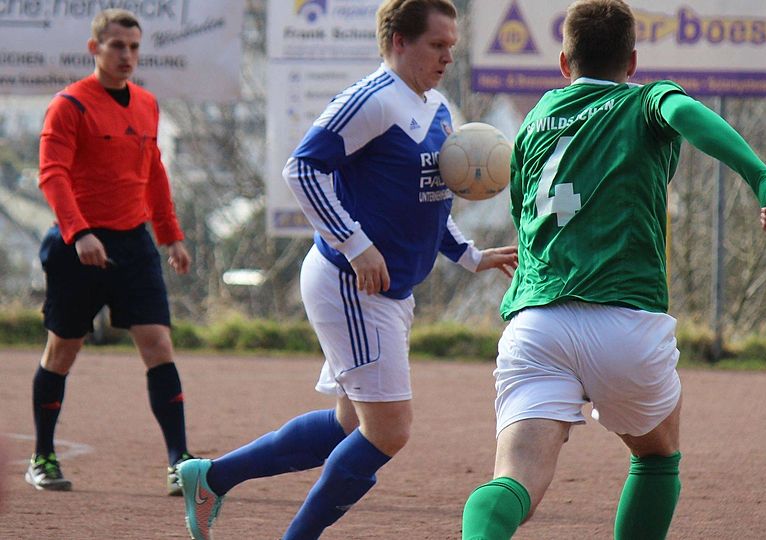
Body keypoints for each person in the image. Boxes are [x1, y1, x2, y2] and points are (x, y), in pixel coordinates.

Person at [175, 1, 517, 538]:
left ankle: (212, 477)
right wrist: (355, 245)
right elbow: (302, 168)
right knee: (389, 431)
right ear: (399, 42)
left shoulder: (438, 106)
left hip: (388, 288)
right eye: (438, 44)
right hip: (351, 285)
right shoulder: (371, 100)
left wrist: (469, 255)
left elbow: (425, 203)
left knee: (349, 425)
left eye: (453, 45)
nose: (449, 55)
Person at [459, 1, 766, 539]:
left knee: (514, 479)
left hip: (537, 323)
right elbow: (688, 117)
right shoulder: (646, 101)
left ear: (564, 63)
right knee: (657, 455)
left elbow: (526, 216)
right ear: (633, 62)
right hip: (624, 319)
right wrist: (764, 181)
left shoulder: (536, 120)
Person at [29, 8, 196, 496]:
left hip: (133, 242)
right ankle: (43, 456)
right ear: (94, 49)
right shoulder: (69, 105)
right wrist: (79, 232)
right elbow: (52, 174)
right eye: (117, 46)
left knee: (158, 345)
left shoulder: (146, 103)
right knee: (63, 351)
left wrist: (170, 235)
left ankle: (179, 461)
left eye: (134, 47)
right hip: (76, 245)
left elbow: (154, 171)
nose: (127, 56)